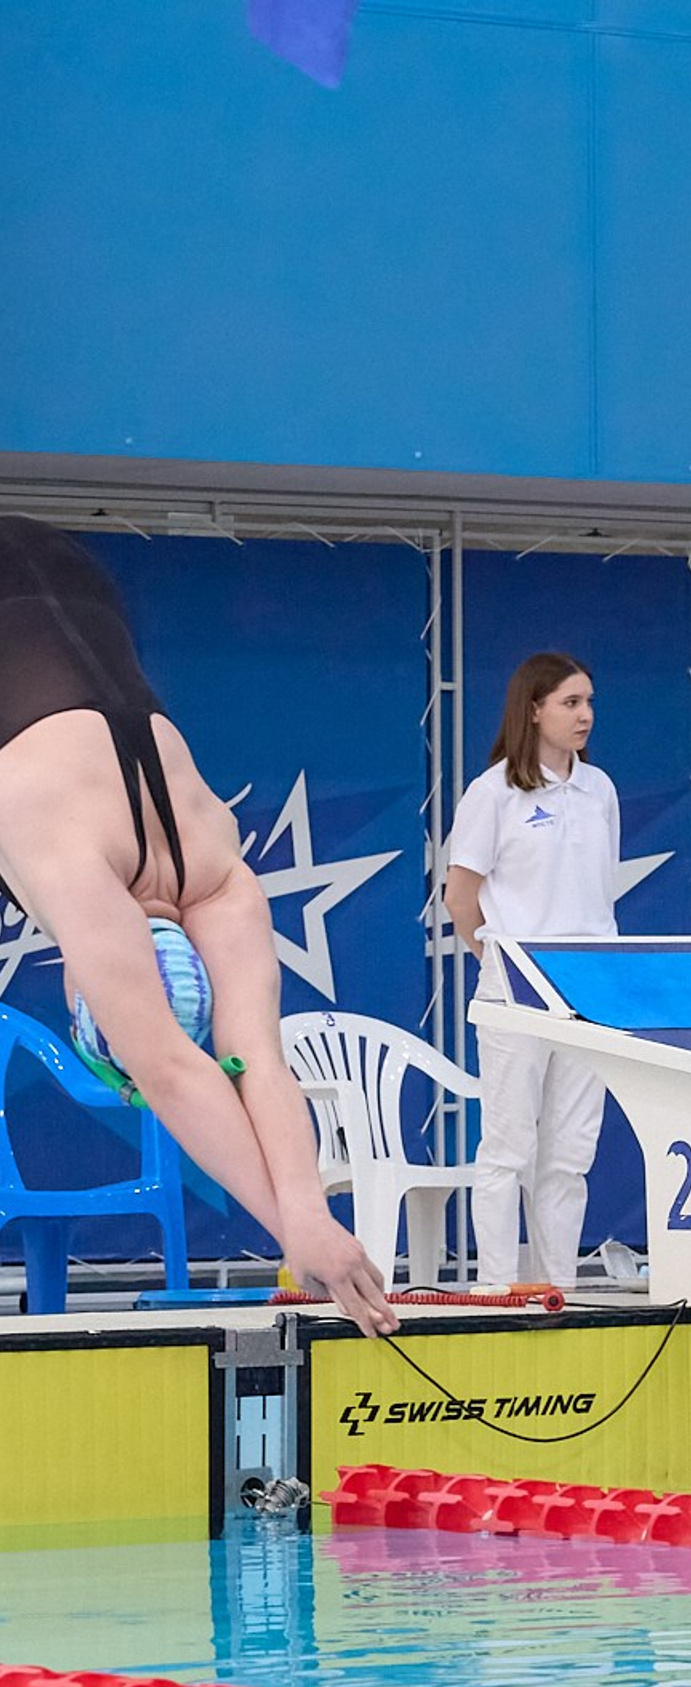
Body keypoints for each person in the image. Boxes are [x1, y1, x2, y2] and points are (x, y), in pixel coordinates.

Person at [0, 515, 396, 1332]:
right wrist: (298, 1225)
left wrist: (310, 1225)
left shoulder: (217, 865)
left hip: (82, 585)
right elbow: (186, 1068)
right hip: (54, 591)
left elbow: (246, 1065)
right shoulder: (83, 872)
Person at [444, 653, 619, 1293]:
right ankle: (494, 1288)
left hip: (590, 984)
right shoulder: (493, 793)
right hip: (518, 981)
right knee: (508, 1147)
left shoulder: (600, 790)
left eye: (589, 702)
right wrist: (496, 963)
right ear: (535, 708)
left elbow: (600, 894)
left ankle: (557, 1287)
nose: (585, 716)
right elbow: (461, 895)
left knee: (570, 1153)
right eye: (571, 703)